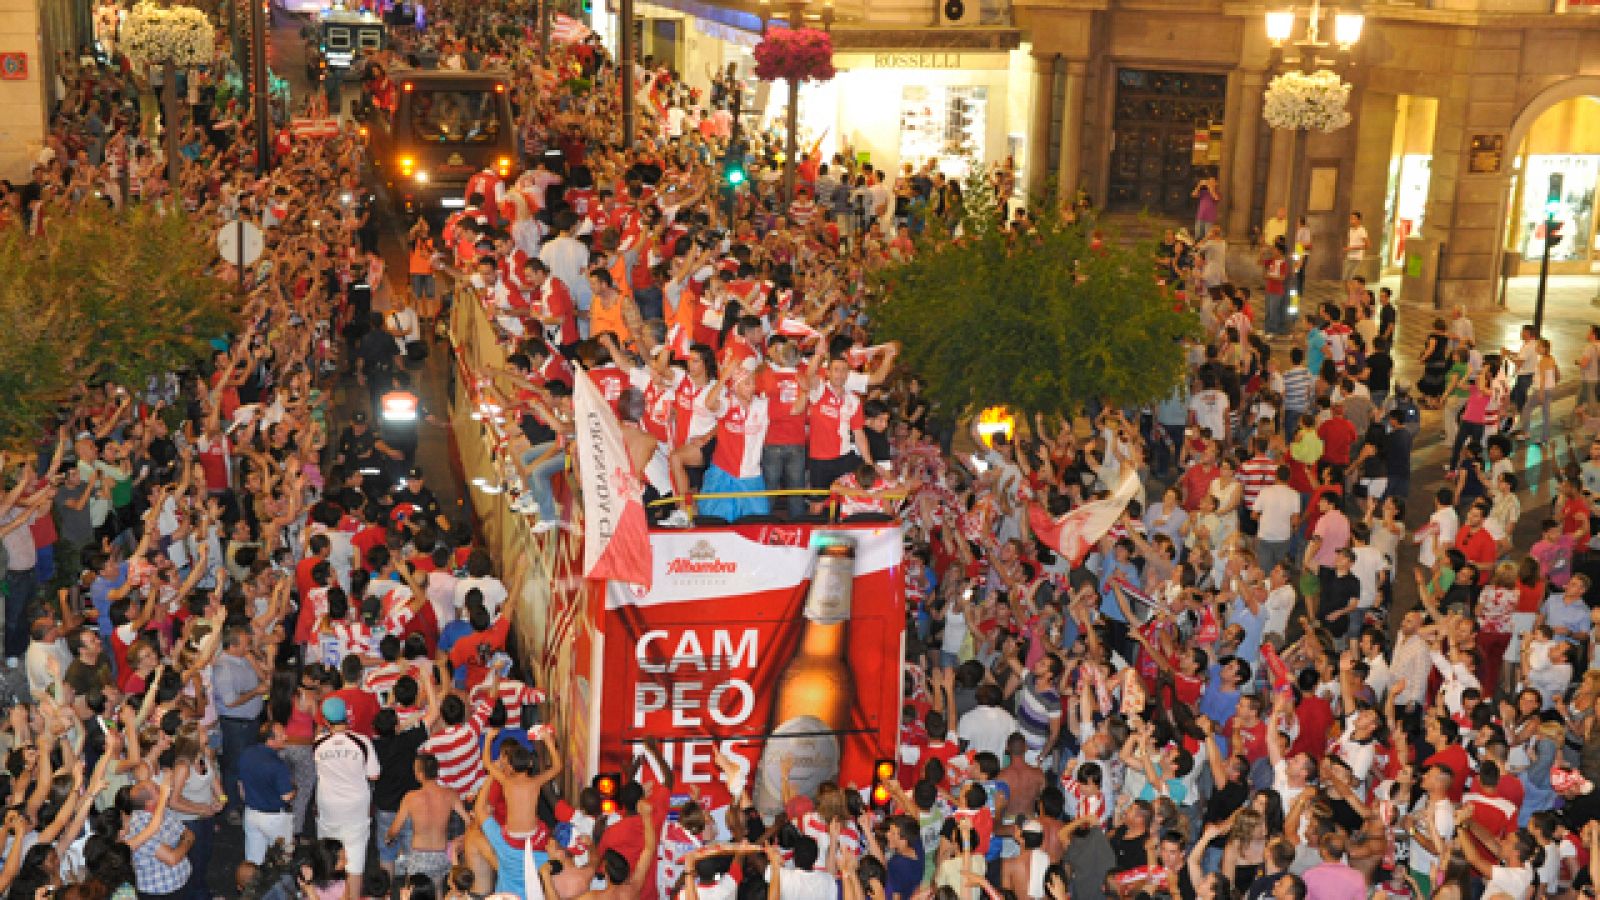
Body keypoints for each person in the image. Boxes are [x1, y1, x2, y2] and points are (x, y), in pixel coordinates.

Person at [314, 696, 381, 898]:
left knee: (329, 858)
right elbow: (374, 774)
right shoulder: (362, 742)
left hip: (329, 809)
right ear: (347, 716)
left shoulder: (318, 744)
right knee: (355, 863)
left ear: (326, 720)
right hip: (356, 810)